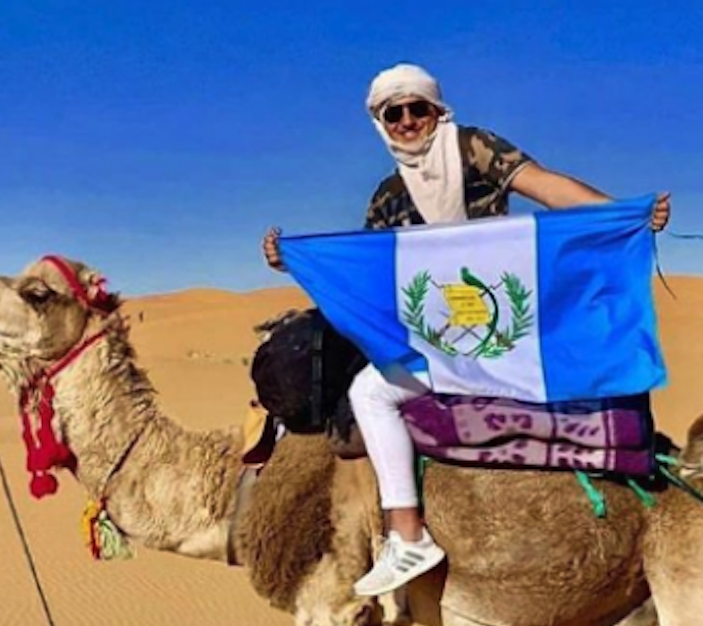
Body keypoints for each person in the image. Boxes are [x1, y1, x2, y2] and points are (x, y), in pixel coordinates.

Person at [263, 63, 671, 597]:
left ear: (437, 110)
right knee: (365, 385)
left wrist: (619, 216)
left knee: (370, 394)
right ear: (381, 123)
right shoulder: (389, 196)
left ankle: (406, 534)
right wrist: (293, 261)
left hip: (502, 328)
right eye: (393, 113)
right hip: (440, 340)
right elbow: (369, 275)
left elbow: (544, 185)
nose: (407, 121)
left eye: (417, 108)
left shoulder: (473, 148)